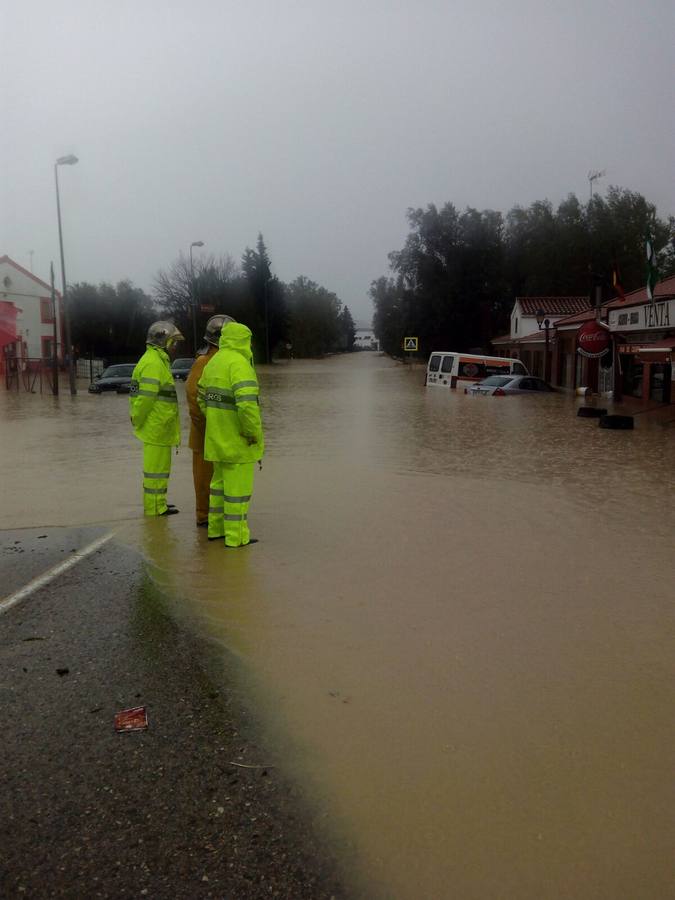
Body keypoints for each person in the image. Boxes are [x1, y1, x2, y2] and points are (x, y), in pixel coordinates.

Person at [197, 321, 264, 546]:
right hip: (238, 442)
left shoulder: (214, 363)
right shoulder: (240, 364)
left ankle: (216, 530)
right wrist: (252, 433)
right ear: (244, 340)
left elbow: (201, 398)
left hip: (217, 439)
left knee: (218, 488)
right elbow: (247, 405)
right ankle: (236, 538)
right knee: (238, 492)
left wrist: (216, 420)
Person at [185, 315, 235, 528]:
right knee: (205, 478)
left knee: (219, 478)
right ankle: (204, 516)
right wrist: (206, 426)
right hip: (205, 433)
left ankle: (217, 515)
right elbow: (193, 397)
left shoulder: (226, 359)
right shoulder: (203, 361)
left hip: (221, 433)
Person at [129, 321, 183, 516]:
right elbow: (145, 398)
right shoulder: (153, 363)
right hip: (156, 427)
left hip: (159, 426)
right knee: (155, 471)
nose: (175, 347)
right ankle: (154, 508)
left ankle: (158, 503)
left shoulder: (157, 361)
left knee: (160, 470)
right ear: (163, 342)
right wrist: (137, 419)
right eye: (172, 342)